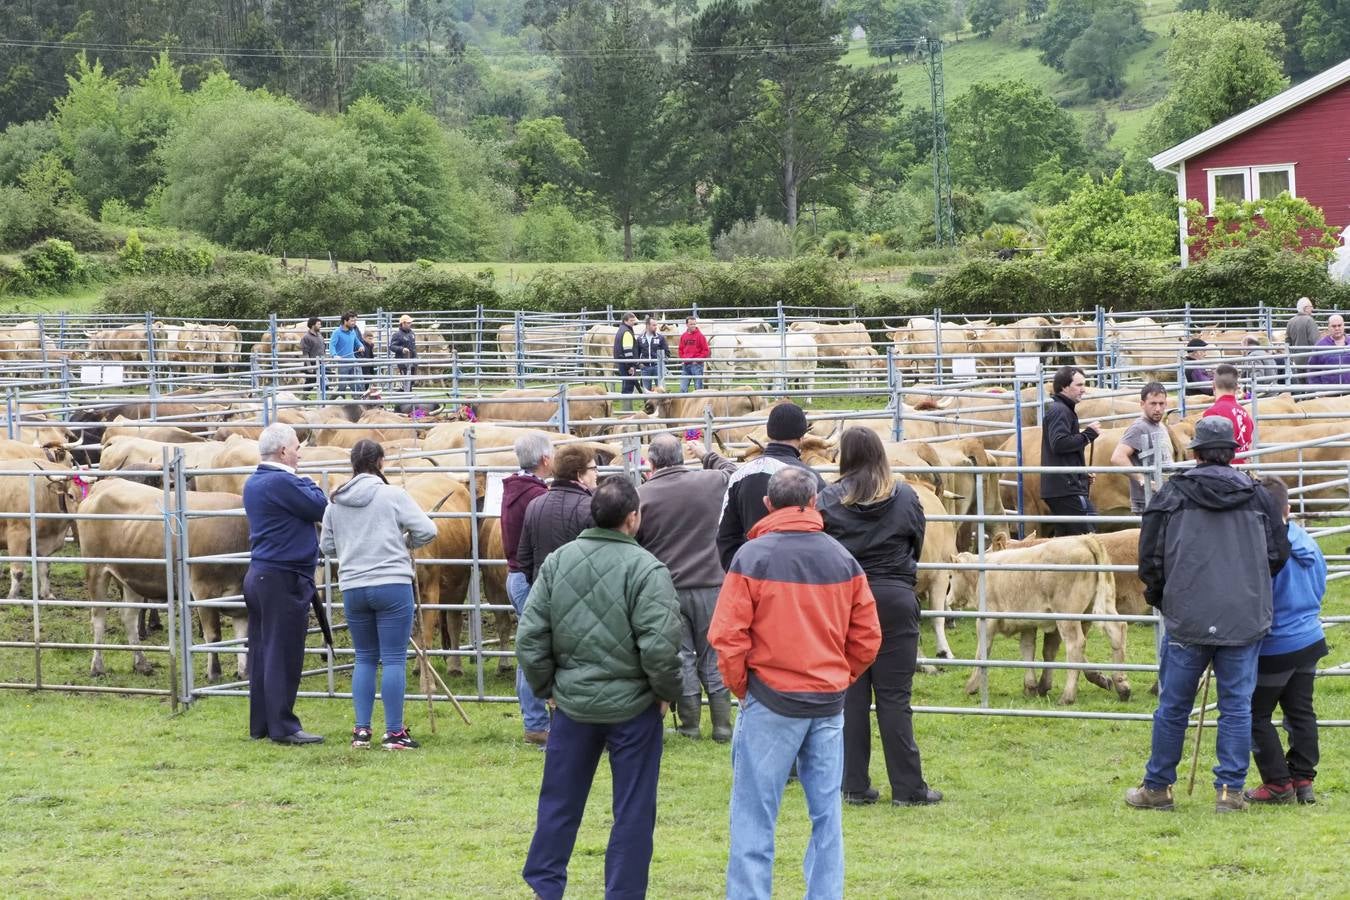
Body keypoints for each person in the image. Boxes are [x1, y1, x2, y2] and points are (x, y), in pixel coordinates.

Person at [709, 467, 881, 900]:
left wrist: (744, 688)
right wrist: (839, 677)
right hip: (826, 701)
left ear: (769, 504)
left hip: (770, 699)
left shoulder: (752, 557)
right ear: (814, 501)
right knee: (827, 816)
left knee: (753, 814)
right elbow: (867, 637)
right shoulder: (843, 559)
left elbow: (727, 636)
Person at [517, 476, 683, 900]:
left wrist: (546, 687)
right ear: (633, 518)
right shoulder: (648, 569)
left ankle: (545, 886)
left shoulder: (557, 563)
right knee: (633, 808)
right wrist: (666, 693)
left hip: (572, 705)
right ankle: (624, 892)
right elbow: (661, 647)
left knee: (559, 801)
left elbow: (531, 637)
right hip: (635, 708)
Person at [1128, 417, 1291, 813]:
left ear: (1196, 451)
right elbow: (1277, 554)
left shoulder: (1172, 495)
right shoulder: (1257, 496)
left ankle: (1158, 787)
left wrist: (1164, 597)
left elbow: (1149, 557)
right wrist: (1246, 585)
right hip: (1242, 616)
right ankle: (1230, 792)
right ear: (1232, 452)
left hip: (1187, 616)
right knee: (1235, 706)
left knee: (1173, 706)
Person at [818, 427, 940, 807]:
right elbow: (916, 543)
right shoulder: (905, 496)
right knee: (894, 697)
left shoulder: (827, 500)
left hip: (849, 601)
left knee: (851, 694)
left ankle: (853, 783)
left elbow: (823, 551)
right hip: (895, 597)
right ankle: (908, 788)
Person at [319, 440, 437, 750]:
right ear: (381, 462)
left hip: (353, 586)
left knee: (365, 657)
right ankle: (395, 733)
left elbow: (327, 547)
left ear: (352, 464)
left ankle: (361, 731)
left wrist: (351, 546)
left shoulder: (335, 502)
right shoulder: (393, 494)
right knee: (395, 659)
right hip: (392, 584)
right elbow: (428, 530)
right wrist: (405, 541)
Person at [636, 434, 738, 742]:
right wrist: (707, 455)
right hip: (712, 583)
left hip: (667, 588)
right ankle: (722, 726)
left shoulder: (642, 495)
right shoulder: (712, 482)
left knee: (681, 655)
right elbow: (735, 472)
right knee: (714, 654)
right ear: (683, 457)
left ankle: (690, 726)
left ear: (651, 463)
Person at [241, 423, 329, 744]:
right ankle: (284, 726)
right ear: (283, 452)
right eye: (296, 447)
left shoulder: (254, 482)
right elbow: (321, 506)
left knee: (263, 651)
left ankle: (262, 723)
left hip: (261, 574)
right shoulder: (283, 481)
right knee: (283, 652)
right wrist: (309, 482)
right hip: (282, 577)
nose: (300, 453)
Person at [1246, 476, 1328, 806]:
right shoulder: (1306, 539)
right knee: (1300, 711)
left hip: (1277, 643)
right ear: (1288, 508)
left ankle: (1278, 783)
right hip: (1309, 637)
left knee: (1254, 714)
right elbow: (1320, 585)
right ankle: (1303, 778)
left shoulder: (1264, 550)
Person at [716, 401, 826, 571]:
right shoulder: (810, 479)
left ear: (769, 432)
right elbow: (823, 534)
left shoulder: (739, 475)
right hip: (797, 576)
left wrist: (738, 571)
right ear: (802, 437)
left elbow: (725, 535)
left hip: (750, 573)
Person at [501, 432, 554, 747]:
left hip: (517, 576)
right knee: (532, 652)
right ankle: (535, 723)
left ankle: (536, 722)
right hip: (529, 577)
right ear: (545, 460)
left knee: (529, 649)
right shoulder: (535, 495)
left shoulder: (514, 489)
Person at [517, 444, 598, 584]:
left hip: (544, 591)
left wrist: (538, 584)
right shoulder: (592, 507)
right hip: (581, 593)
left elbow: (524, 558)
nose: (597, 473)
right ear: (579, 475)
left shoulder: (534, 505)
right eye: (593, 469)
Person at [1040, 366, 1101, 537]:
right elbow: (1058, 444)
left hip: (1063, 486)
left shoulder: (1063, 410)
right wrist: (1087, 435)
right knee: (1089, 537)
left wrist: (1081, 474)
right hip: (1065, 489)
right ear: (1064, 387)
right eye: (1079, 385)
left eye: (1084, 384)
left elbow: (1062, 449)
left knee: (1067, 539)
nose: (1083, 389)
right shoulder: (1060, 411)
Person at [1111, 382, 1173, 514]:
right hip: (1146, 501)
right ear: (1142, 404)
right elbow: (1117, 457)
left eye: (1161, 404)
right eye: (1153, 403)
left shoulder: (1160, 425)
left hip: (1162, 497)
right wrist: (1142, 480)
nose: (1157, 408)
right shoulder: (1139, 427)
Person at [1203, 364, 1255, 454]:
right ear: (1236, 387)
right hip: (1243, 465)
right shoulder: (1244, 413)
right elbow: (1249, 445)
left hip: (1221, 466)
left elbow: (1208, 451)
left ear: (1213, 385)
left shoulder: (1212, 413)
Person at [1308, 314, 1350, 388]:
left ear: (1344, 326)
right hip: (1329, 392)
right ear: (1328, 327)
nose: (1337, 328)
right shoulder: (1320, 345)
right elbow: (1312, 370)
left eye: (1339, 325)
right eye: (1333, 326)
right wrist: (1318, 390)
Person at [1285, 296, 1319, 382]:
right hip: (1309, 360)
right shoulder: (1310, 321)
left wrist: (1291, 357)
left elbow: (1287, 341)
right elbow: (1314, 341)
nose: (1312, 309)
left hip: (1296, 360)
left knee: (1301, 385)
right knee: (1311, 385)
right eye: (1311, 307)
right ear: (1305, 308)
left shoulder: (1290, 321)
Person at [613, 311, 641, 410]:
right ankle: (626, 411)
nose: (633, 322)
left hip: (621, 362)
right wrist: (630, 366)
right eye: (631, 320)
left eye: (634, 320)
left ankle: (625, 410)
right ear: (625, 321)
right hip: (626, 363)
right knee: (628, 388)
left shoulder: (621, 330)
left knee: (626, 385)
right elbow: (628, 350)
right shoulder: (627, 332)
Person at [329, 311, 360, 397]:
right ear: (345, 321)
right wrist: (334, 355)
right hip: (342, 362)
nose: (354, 323)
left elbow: (356, 341)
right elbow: (332, 345)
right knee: (342, 386)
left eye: (355, 321)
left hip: (353, 361)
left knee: (356, 384)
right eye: (352, 321)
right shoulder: (337, 332)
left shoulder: (352, 331)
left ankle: (358, 403)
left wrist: (361, 346)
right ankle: (331, 403)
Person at [635, 316, 669, 391]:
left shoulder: (660, 338)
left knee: (661, 389)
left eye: (656, 325)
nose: (656, 327)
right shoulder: (640, 338)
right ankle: (647, 403)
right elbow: (636, 353)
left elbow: (667, 352)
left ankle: (661, 403)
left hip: (658, 367)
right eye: (653, 325)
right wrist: (639, 364)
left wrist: (662, 363)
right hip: (645, 368)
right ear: (647, 326)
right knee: (646, 390)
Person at [679, 316, 710, 391]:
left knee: (698, 388)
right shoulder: (683, 336)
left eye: (694, 324)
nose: (693, 326)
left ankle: (699, 402)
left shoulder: (700, 336)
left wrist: (697, 360)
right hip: (686, 365)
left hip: (697, 365)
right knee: (683, 388)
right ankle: (683, 402)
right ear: (687, 325)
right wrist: (683, 359)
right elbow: (680, 349)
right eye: (691, 324)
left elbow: (706, 350)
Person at [389, 314, 418, 391]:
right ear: (403, 323)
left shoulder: (412, 333)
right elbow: (392, 346)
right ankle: (404, 398)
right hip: (403, 361)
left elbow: (413, 347)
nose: (410, 324)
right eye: (408, 323)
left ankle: (404, 398)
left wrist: (416, 358)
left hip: (412, 360)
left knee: (411, 381)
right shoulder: (397, 335)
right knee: (406, 381)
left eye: (410, 322)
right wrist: (402, 349)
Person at [299, 317, 324, 394]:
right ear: (313, 325)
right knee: (310, 383)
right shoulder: (306, 337)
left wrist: (324, 359)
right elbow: (305, 353)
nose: (320, 326)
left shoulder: (320, 335)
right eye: (318, 324)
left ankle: (324, 400)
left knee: (323, 382)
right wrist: (309, 366)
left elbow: (322, 348)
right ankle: (304, 399)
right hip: (312, 363)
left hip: (320, 362)